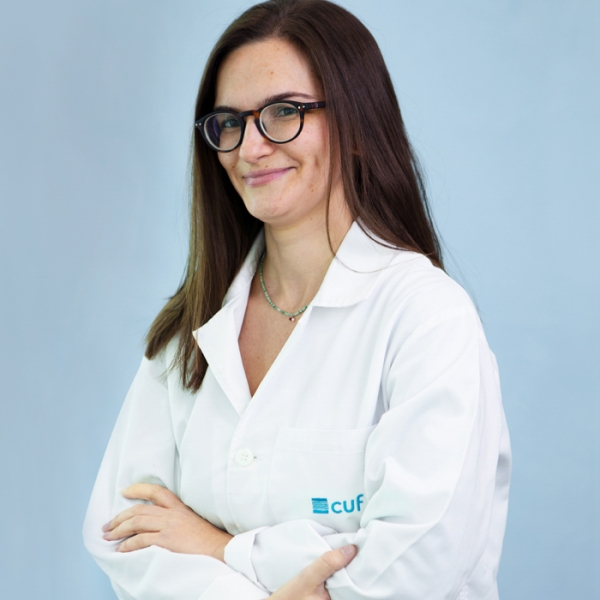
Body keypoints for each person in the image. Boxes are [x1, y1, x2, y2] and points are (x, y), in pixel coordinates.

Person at [83, 0, 511, 598]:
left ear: (358, 126)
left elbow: (417, 569)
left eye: (283, 112)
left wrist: (218, 546)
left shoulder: (426, 317)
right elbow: (124, 532)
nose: (250, 148)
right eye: (229, 122)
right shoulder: (192, 329)